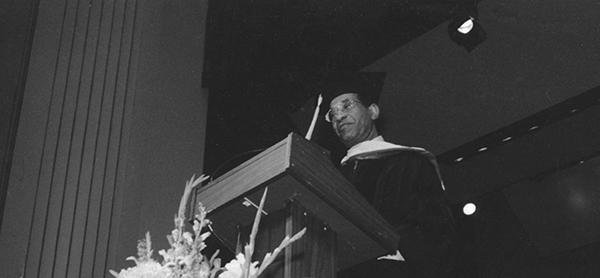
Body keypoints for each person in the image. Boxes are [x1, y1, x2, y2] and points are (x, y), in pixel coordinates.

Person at [323, 79, 458, 278]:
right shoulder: (333, 178)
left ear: (373, 111)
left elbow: (439, 232)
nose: (339, 116)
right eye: (332, 114)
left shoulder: (409, 162)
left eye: (347, 105)